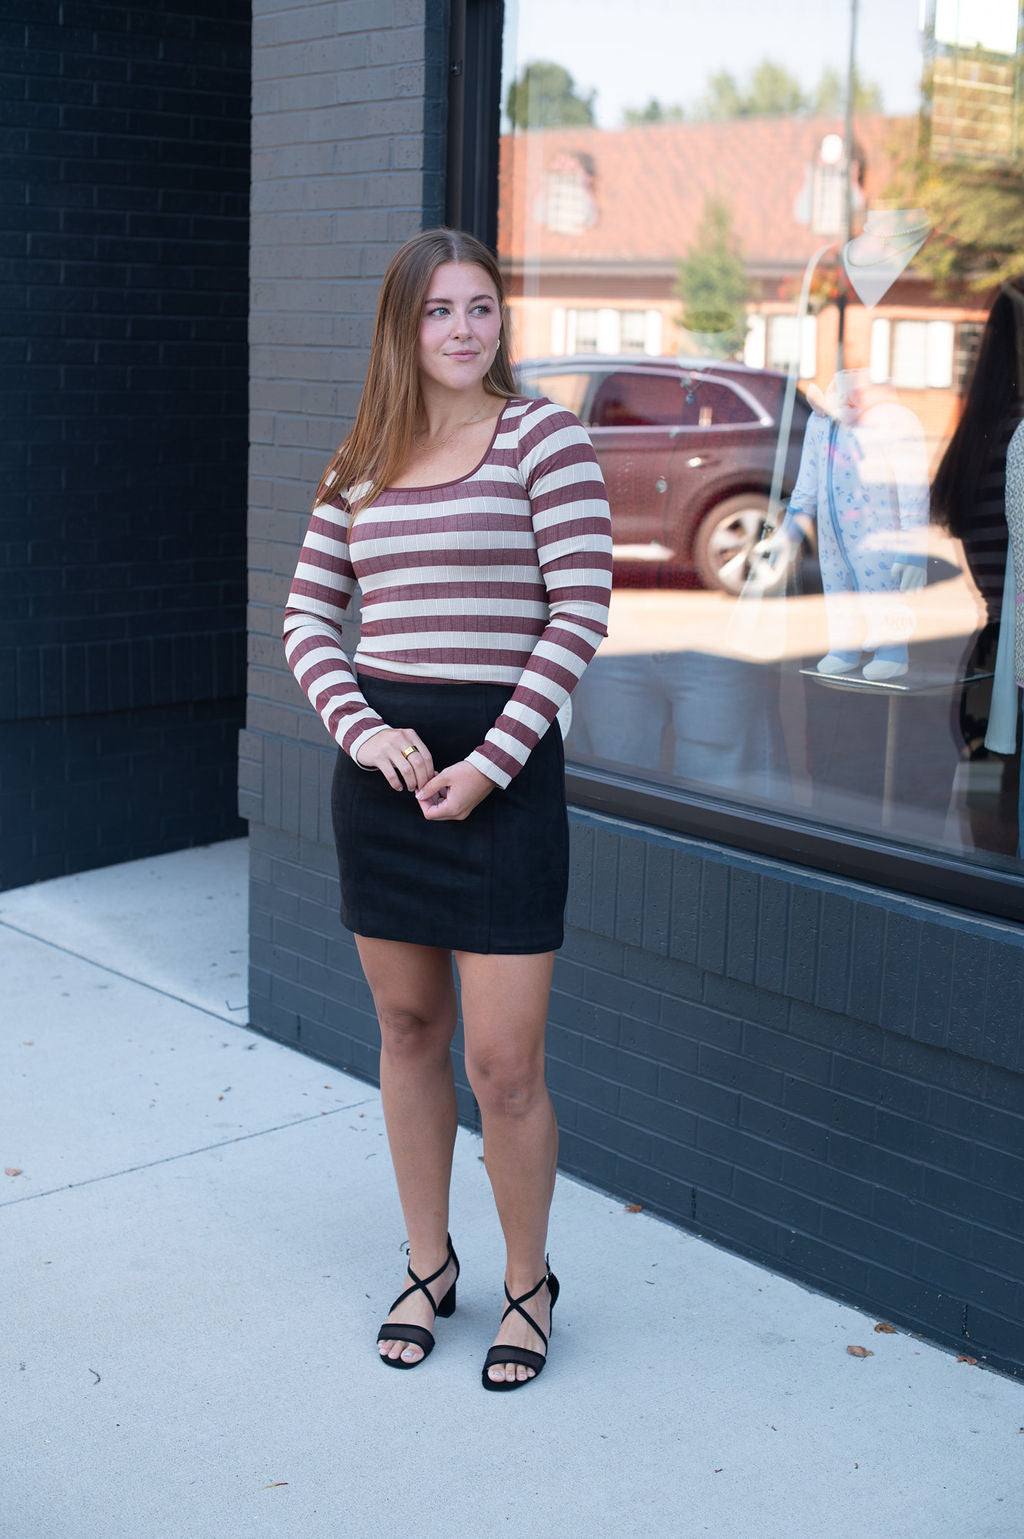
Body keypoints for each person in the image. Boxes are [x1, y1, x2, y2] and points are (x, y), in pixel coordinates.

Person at [283, 228, 613, 1390]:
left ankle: (529, 1285)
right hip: (383, 780)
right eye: (439, 312)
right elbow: (306, 625)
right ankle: (429, 1265)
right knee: (408, 1034)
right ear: (403, 329)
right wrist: (363, 730)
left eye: (481, 308)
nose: (465, 330)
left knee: (505, 1066)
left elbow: (576, 613)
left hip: (504, 778)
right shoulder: (359, 459)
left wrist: (492, 763)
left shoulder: (542, 440)